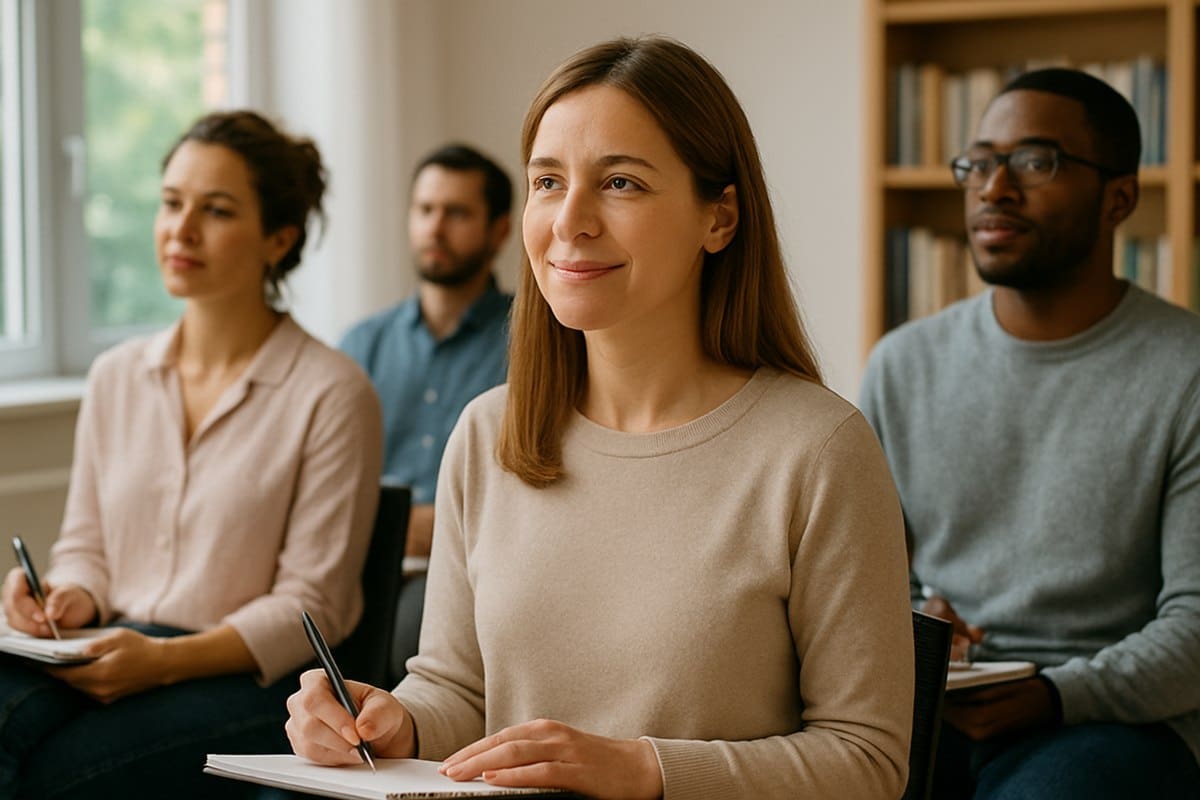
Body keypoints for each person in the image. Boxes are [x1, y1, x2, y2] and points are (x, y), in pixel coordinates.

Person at [285, 36, 914, 800]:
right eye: (548, 182)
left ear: (719, 218)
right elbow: (458, 692)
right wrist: (393, 723)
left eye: (620, 182)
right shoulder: (489, 435)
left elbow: (869, 763)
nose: (570, 222)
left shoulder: (817, 450)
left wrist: (644, 769)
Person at [0, 110, 383, 799]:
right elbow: (85, 547)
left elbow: (312, 606)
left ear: (278, 239)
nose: (181, 228)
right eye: (172, 203)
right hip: (114, 650)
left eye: (217, 210)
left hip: (244, 686)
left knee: (54, 777)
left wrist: (164, 661)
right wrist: (63, 598)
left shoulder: (332, 391)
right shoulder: (117, 375)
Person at [859, 68, 1200, 799]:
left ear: (1120, 198)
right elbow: (861, 584)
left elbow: (1197, 629)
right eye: (979, 162)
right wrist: (915, 616)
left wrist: (1054, 695)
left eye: (1035, 162)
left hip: (1112, 725)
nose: (994, 188)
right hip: (934, 706)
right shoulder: (902, 364)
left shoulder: (1187, 371)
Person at [338, 144, 513, 681]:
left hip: (470, 567)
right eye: (425, 210)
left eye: (457, 213)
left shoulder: (534, 341)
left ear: (500, 229)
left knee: (404, 642)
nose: (435, 228)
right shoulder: (362, 344)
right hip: (359, 562)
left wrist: (430, 530)